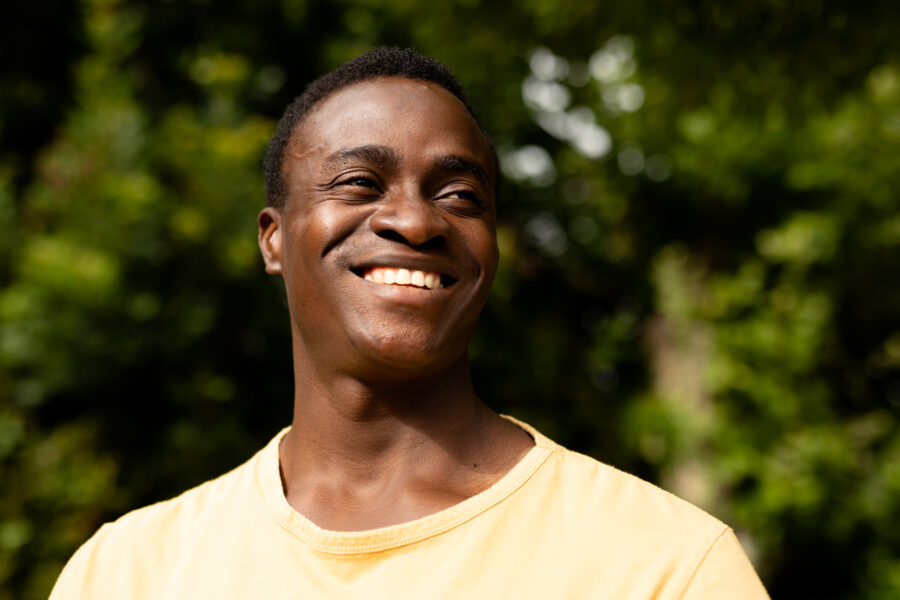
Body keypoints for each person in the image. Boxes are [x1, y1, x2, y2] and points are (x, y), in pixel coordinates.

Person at [50, 47, 769, 599]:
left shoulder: (662, 566)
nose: (416, 220)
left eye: (459, 196)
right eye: (360, 183)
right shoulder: (127, 572)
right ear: (273, 238)